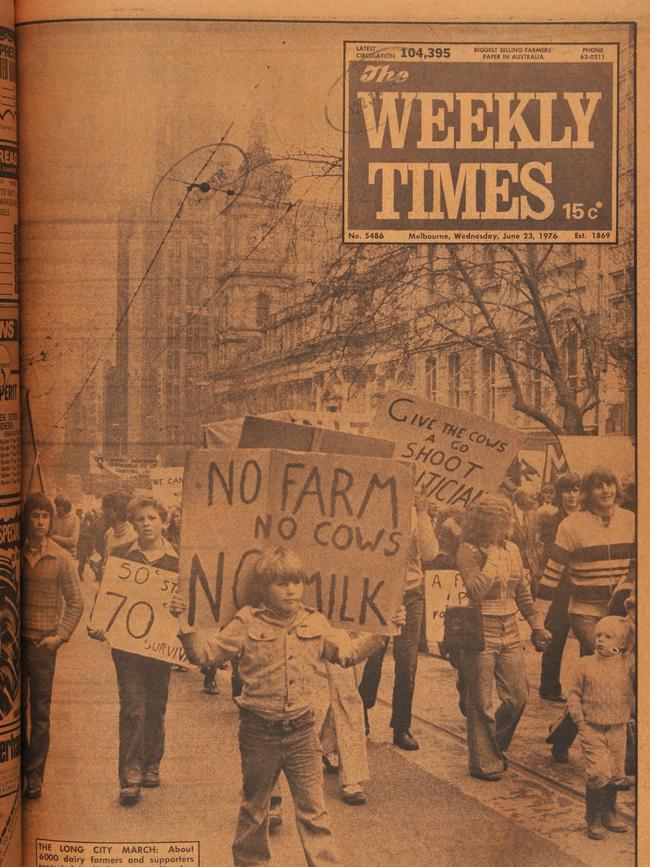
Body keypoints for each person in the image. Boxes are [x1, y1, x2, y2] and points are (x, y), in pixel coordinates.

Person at [171, 545, 404, 867]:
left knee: (315, 814)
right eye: (281, 583)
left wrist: (383, 632)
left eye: (296, 582)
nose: (291, 589)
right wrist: (184, 623)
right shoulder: (245, 623)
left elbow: (348, 654)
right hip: (258, 733)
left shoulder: (317, 623)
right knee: (255, 811)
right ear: (265, 588)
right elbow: (204, 655)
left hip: (302, 734)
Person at [538, 467, 635, 763]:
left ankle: (562, 734)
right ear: (586, 493)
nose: (606, 491)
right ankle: (620, 753)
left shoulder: (632, 521)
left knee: (601, 677)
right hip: (585, 614)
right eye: (598, 486)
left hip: (622, 613)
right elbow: (552, 573)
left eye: (610, 485)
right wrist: (537, 621)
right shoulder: (571, 525)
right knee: (611, 669)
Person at [88, 495, 178, 806]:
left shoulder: (178, 561)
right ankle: (130, 777)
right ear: (133, 523)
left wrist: (183, 606)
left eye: (152, 518)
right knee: (132, 708)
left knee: (155, 706)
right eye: (140, 519)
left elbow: (191, 607)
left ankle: (152, 762)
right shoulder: (121, 556)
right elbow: (107, 596)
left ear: (163, 521)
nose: (146, 524)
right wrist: (97, 622)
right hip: (127, 649)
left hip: (161, 646)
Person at [455, 494, 550, 781]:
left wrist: (536, 624)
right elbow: (475, 591)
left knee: (518, 697)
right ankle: (483, 762)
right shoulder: (468, 550)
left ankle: (492, 745)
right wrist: (492, 559)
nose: (508, 525)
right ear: (486, 523)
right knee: (480, 701)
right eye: (502, 520)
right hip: (480, 630)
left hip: (510, 628)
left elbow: (521, 590)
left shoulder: (512, 549)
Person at [359, 492, 438, 750]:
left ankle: (401, 726)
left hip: (411, 593)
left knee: (407, 663)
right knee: (371, 658)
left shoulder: (417, 515)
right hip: (377, 592)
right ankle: (361, 714)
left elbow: (429, 553)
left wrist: (423, 512)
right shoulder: (373, 508)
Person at [22, 492, 84, 799]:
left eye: (45, 516)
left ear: (52, 519)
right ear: (27, 519)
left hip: (43, 647)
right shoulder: (13, 553)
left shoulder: (61, 557)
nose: (41, 522)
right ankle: (15, 769)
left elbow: (76, 602)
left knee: (41, 712)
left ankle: (35, 776)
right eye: (35, 516)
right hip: (14, 645)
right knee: (13, 710)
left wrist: (59, 637)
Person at [567, 615, 634, 839]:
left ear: (622, 644)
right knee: (598, 773)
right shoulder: (584, 664)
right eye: (598, 635)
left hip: (618, 727)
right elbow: (574, 696)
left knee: (616, 772)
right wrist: (580, 723)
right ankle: (593, 817)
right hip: (591, 727)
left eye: (608, 636)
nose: (601, 640)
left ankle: (609, 813)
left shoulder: (628, 665)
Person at [537, 472, 582, 703]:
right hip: (560, 586)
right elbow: (548, 557)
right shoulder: (552, 522)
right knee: (556, 635)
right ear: (559, 494)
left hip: (584, 585)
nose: (572, 495)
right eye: (567, 491)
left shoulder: (588, 519)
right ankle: (549, 685)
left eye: (575, 490)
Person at [101, 490, 137, 562]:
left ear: (112, 511)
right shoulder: (109, 533)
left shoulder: (134, 535)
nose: (102, 514)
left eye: (103, 510)